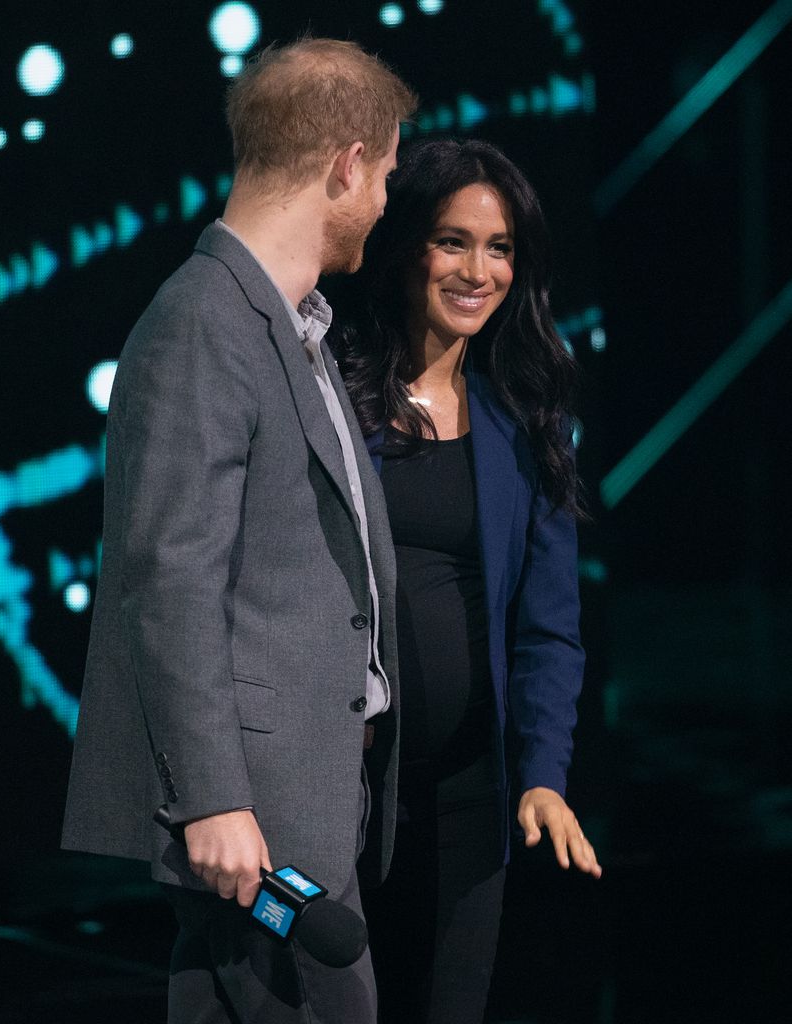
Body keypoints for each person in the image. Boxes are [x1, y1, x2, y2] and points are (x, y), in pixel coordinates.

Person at [61, 38, 416, 1024]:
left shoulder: (282, 321)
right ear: (346, 162)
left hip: (301, 787)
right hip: (256, 811)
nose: (386, 200)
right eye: (385, 172)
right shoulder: (202, 324)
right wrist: (214, 798)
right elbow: (168, 575)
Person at [332, 138, 602, 1024]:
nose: (477, 270)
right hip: (344, 796)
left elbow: (548, 631)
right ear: (407, 244)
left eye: (499, 248)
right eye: (453, 241)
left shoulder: (527, 424)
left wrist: (543, 776)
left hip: (467, 800)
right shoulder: (331, 398)